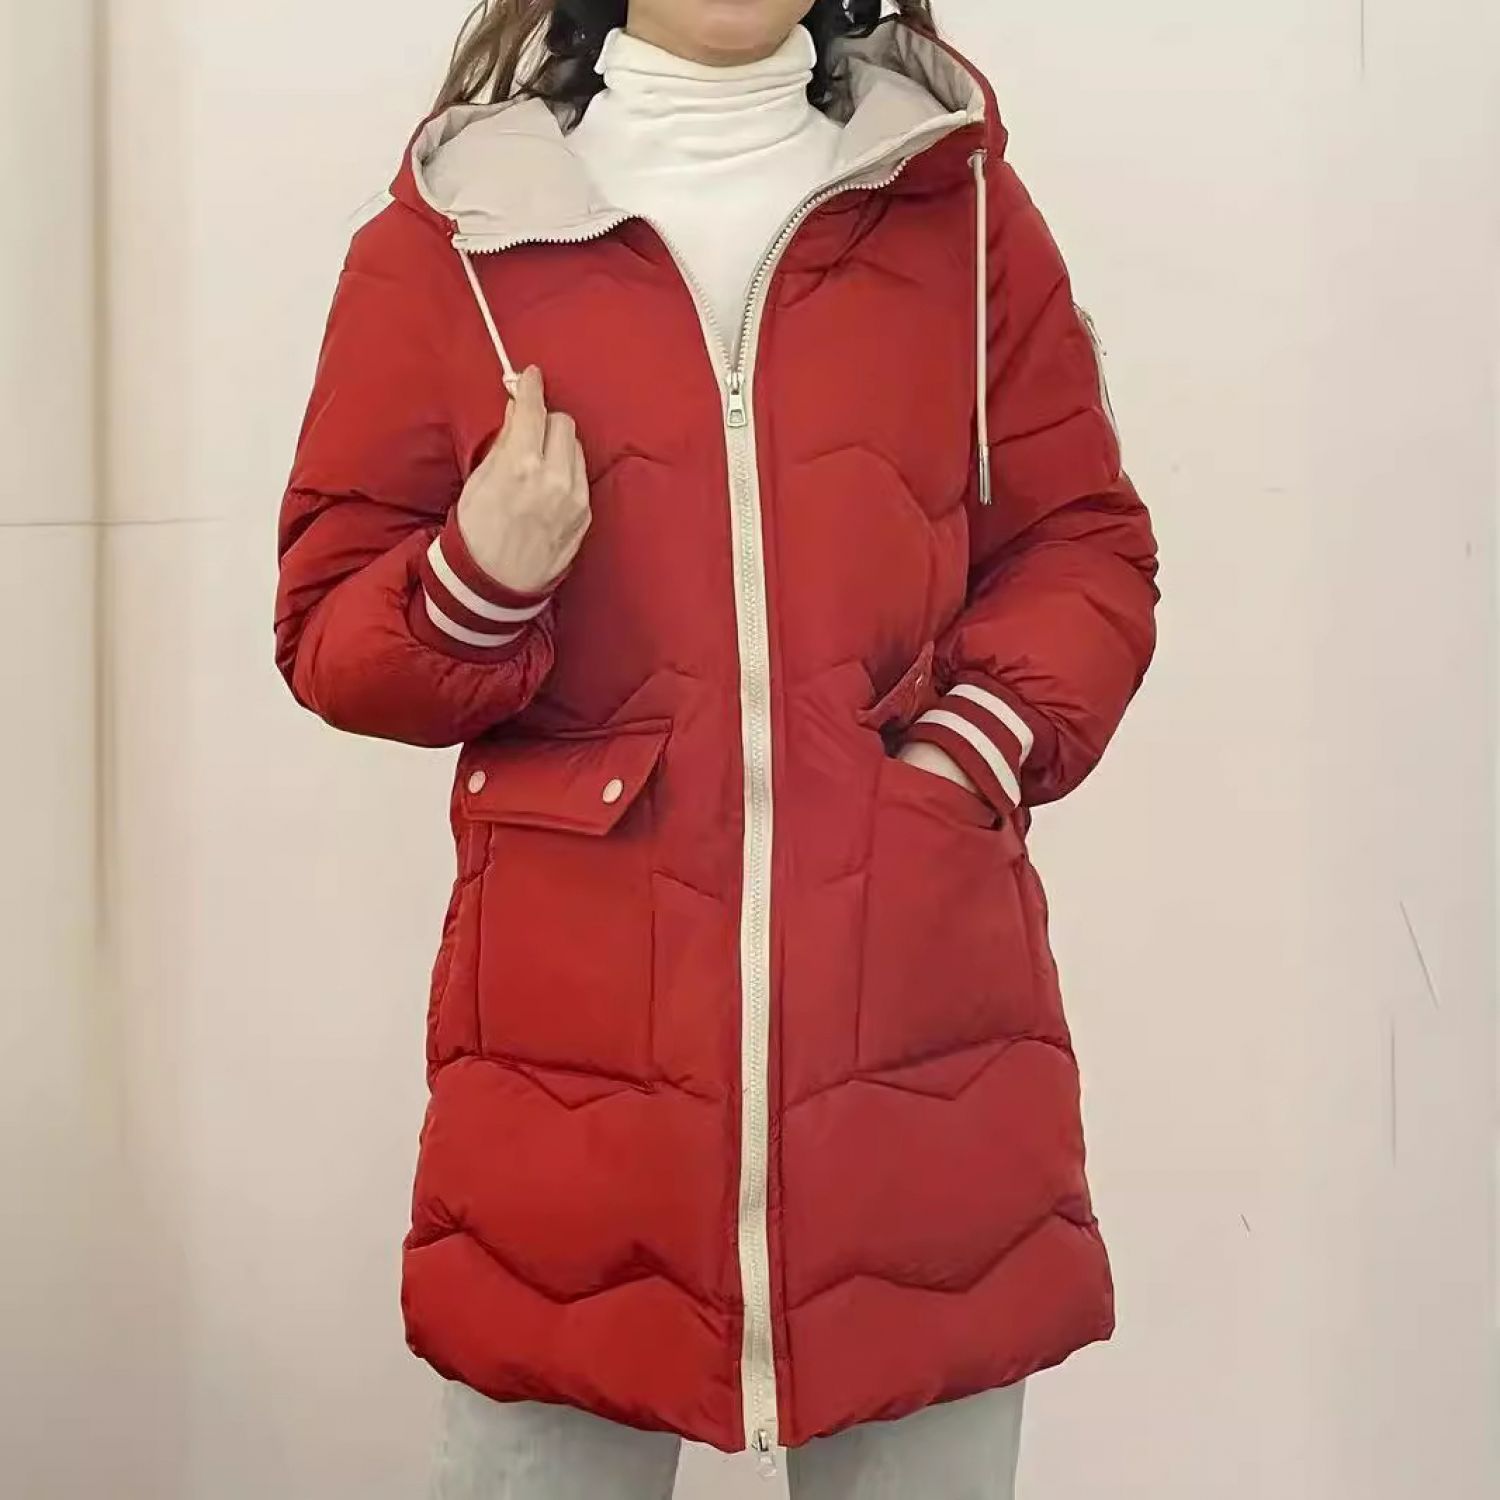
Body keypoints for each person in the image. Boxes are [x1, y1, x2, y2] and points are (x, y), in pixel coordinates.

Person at [273, 1, 1159, 1494]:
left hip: (919, 1058)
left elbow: (1084, 543)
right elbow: (328, 631)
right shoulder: (454, 242)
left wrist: (970, 754)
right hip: (568, 1082)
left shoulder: (961, 208)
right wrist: (476, 581)